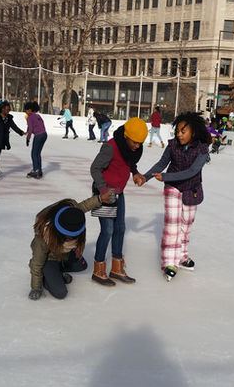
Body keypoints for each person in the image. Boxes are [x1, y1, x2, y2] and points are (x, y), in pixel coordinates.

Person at [140, 112, 211, 276]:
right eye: (177, 131)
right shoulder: (172, 145)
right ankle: (169, 263)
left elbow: (192, 171)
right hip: (173, 187)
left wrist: (165, 176)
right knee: (172, 226)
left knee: (186, 226)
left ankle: (182, 256)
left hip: (192, 189)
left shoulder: (202, 149)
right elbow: (161, 164)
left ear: (193, 132)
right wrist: (146, 177)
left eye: (183, 131)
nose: (179, 135)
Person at [89, 118, 148, 286]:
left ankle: (116, 268)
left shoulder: (131, 148)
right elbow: (95, 168)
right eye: (135, 142)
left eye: (140, 143)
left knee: (120, 229)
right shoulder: (111, 147)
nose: (137, 146)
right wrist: (103, 190)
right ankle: (98, 269)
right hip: (105, 192)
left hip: (118, 193)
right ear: (126, 137)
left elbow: (129, 162)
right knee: (107, 230)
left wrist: (135, 172)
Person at [27, 190, 114, 300]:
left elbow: (84, 206)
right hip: (50, 258)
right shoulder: (44, 237)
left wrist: (100, 199)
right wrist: (36, 288)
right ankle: (48, 276)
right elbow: (36, 264)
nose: (73, 238)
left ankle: (57, 271)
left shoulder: (71, 212)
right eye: (69, 236)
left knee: (82, 265)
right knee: (60, 293)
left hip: (64, 254)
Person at [24, 101, 47, 179]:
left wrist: (28, 138)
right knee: (37, 153)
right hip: (44, 134)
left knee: (34, 153)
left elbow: (31, 128)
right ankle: (39, 170)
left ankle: (35, 170)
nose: (25, 112)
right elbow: (37, 124)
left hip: (38, 135)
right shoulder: (38, 116)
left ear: (30, 110)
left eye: (26, 110)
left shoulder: (29, 117)